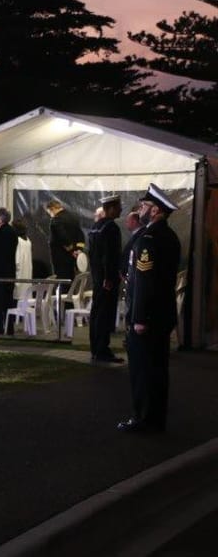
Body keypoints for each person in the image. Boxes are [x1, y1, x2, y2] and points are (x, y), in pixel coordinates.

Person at [118, 184, 181, 433]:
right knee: (157, 370)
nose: (141, 210)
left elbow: (144, 281)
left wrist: (140, 318)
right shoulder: (169, 236)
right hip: (162, 315)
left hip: (148, 317)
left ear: (155, 210)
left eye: (144, 206)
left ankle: (143, 420)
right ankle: (155, 419)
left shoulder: (148, 239)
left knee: (143, 371)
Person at [87, 194, 123, 363]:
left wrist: (98, 276)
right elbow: (110, 255)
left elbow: (93, 255)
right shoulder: (112, 228)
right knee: (105, 314)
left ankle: (95, 347)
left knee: (96, 312)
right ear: (111, 209)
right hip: (107, 279)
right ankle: (102, 350)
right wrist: (109, 277)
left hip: (96, 277)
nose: (121, 209)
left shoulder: (95, 226)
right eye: (118, 207)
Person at [45, 199, 86, 281]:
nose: (50, 215)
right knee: (71, 280)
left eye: (49, 212)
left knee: (62, 282)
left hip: (60, 257)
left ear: (52, 209)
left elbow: (62, 237)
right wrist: (78, 249)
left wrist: (71, 250)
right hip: (73, 257)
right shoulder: (74, 217)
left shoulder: (56, 220)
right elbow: (80, 235)